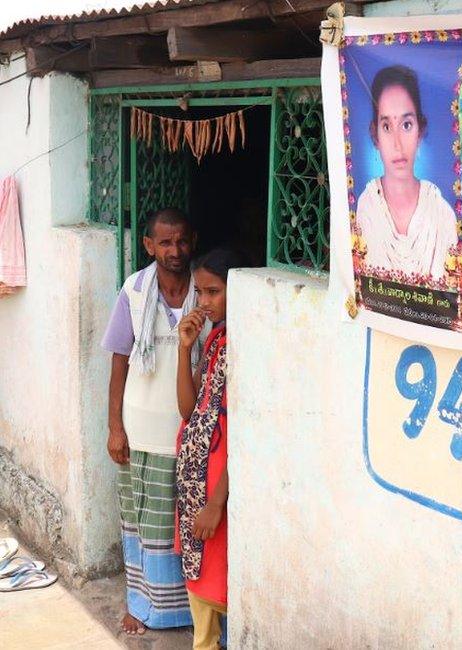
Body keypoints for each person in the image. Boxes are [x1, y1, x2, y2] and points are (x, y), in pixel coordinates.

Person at [100, 207, 208, 635]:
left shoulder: (208, 291)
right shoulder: (134, 291)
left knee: (185, 524)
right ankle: (140, 605)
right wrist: (114, 428)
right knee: (142, 523)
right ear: (149, 246)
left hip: (191, 432)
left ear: (192, 240)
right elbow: (119, 362)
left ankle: (190, 612)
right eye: (164, 242)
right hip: (141, 429)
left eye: (181, 241)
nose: (174, 250)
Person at [174, 248, 246, 650]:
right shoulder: (215, 337)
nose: (203, 302)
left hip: (218, 478)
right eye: (199, 292)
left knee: (222, 572)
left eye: (213, 292)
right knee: (199, 576)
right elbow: (188, 408)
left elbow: (244, 432)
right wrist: (184, 349)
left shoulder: (244, 343)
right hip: (194, 476)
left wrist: (216, 502)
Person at [356, 64, 458, 281]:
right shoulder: (368, 206)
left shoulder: (441, 214)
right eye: (386, 126)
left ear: (420, 131)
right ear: (375, 136)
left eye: (406, 125)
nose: (397, 143)